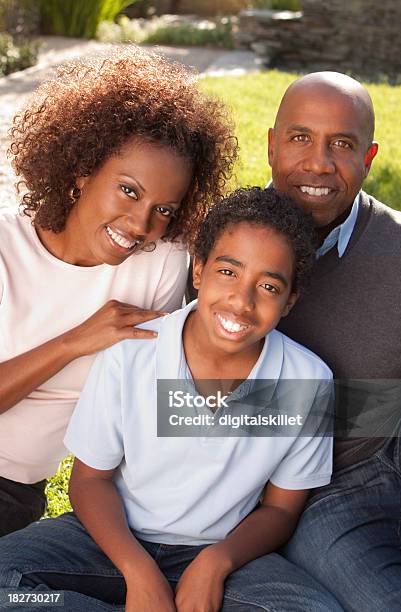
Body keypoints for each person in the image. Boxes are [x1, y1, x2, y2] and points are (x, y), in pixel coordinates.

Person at [0, 187, 342, 612]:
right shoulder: (133, 350)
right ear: (198, 270)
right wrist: (138, 572)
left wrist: (217, 563)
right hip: (111, 542)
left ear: (289, 300)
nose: (242, 300)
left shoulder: (306, 380)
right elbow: (90, 480)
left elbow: (281, 510)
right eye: (228, 272)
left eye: (269, 286)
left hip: (225, 554)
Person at [0, 46, 237, 536]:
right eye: (128, 190)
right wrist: (76, 342)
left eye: (165, 209)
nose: (141, 223)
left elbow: (162, 394)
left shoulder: (160, 263)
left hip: (12, 493)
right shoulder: (6, 249)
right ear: (83, 170)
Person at [266, 71, 401, 611]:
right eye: (300, 137)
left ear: (368, 157)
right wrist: (372, 403)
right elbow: (184, 402)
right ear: (273, 144)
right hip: (301, 491)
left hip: (380, 458)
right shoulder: (218, 247)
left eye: (342, 144)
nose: (319, 163)